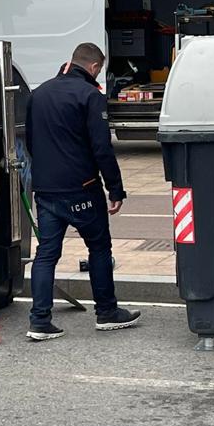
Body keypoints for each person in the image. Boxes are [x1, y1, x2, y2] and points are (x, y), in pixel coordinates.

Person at [24, 42, 141, 341]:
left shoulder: (39, 94)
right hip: (82, 189)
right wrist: (115, 189)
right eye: (98, 70)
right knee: (99, 248)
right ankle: (107, 312)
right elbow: (102, 148)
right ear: (92, 68)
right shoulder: (91, 96)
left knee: (46, 254)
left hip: (46, 189)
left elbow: (30, 142)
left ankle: (39, 321)